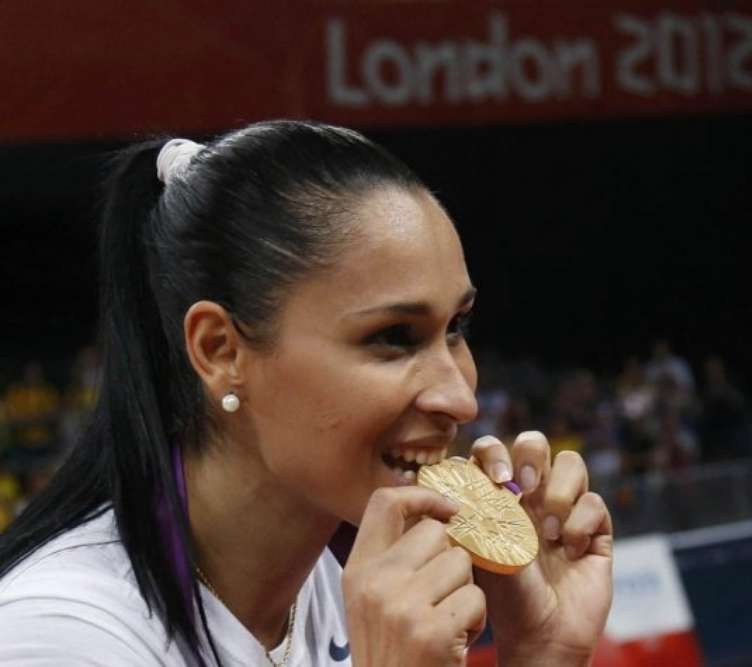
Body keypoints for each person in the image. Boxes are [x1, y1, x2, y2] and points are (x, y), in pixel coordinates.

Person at [0, 121, 613, 666]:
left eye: (455, 328)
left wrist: (542, 656)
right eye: (393, 338)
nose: (461, 400)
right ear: (219, 351)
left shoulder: (340, 591)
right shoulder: (57, 638)